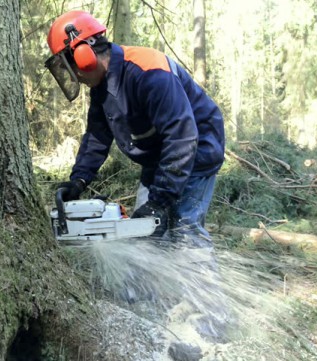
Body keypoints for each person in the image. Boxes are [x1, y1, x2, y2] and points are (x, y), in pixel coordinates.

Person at [46, 10, 225, 248]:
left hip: (195, 151)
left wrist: (159, 201)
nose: (75, 77)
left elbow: (181, 137)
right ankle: (151, 285)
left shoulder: (149, 71)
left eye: (71, 67)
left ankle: (202, 283)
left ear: (83, 56)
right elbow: (97, 137)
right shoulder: (101, 88)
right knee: (143, 235)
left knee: (184, 231)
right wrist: (78, 180)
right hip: (160, 158)